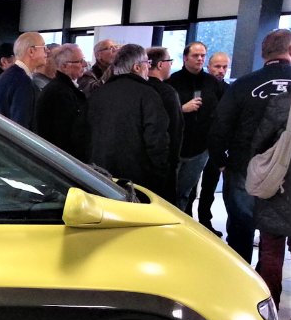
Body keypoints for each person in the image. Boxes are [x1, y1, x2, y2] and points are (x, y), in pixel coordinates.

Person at [208, 29, 291, 263]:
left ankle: (240, 276)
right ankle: (268, 278)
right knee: (275, 236)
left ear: (263, 53)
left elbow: (219, 126)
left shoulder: (243, 85)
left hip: (244, 166)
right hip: (288, 173)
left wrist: (221, 162)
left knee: (240, 227)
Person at [87, 44, 172, 201]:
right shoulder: (148, 94)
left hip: (100, 176)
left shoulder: (98, 94)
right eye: (147, 63)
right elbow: (156, 139)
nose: (149, 67)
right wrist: (161, 173)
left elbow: (83, 134)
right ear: (137, 67)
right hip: (137, 181)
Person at [249, 91, 291, 320]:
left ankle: (270, 311)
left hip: (279, 185)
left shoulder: (282, 102)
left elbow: (260, 141)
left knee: (271, 252)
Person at [167, 41, 221, 212]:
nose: (200, 59)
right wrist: (182, 109)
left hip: (200, 149)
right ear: (185, 58)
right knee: (168, 191)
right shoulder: (172, 81)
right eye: (195, 55)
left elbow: (221, 111)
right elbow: (162, 112)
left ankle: (181, 221)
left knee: (185, 192)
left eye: (202, 55)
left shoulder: (212, 83)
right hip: (175, 147)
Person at [192, 51, 231, 235]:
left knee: (210, 185)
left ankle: (205, 221)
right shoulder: (200, 86)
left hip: (218, 145)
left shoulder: (230, 90)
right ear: (209, 66)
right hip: (196, 143)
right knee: (191, 185)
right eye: (217, 66)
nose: (221, 70)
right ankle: (188, 219)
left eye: (224, 67)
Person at [35, 44, 90, 161]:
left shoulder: (61, 88)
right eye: (80, 61)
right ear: (65, 66)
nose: (84, 65)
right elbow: (64, 135)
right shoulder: (60, 93)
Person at [146, 47, 184, 204]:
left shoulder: (137, 89)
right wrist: (173, 161)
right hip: (163, 163)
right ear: (160, 64)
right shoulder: (167, 92)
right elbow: (175, 130)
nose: (171, 65)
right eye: (170, 61)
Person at [0, 31, 48, 129]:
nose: (47, 51)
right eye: (44, 47)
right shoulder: (23, 82)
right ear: (31, 51)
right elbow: (21, 126)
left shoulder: (5, 76)